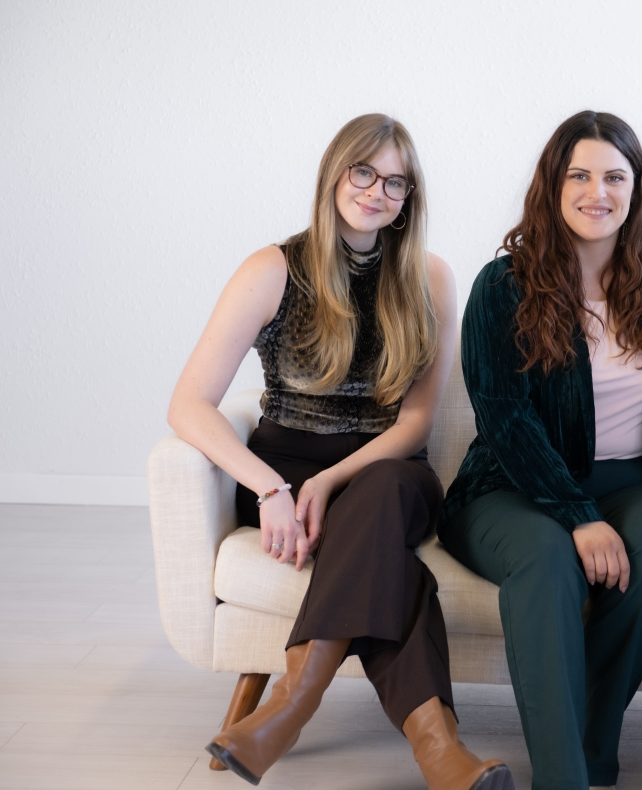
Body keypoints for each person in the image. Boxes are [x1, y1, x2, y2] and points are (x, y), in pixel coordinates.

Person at [167, 113, 513, 790]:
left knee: (382, 493)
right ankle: (443, 755)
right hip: (282, 466)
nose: (377, 191)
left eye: (396, 183)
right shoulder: (272, 269)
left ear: (409, 199)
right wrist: (272, 489)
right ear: (335, 171)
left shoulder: (431, 277)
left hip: (388, 472)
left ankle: (288, 709)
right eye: (365, 171)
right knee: (397, 573)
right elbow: (188, 405)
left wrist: (329, 483)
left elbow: (414, 422)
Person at [438, 110, 642, 790]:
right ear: (553, 188)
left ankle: (588, 754)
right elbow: (506, 420)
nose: (598, 192)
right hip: (512, 485)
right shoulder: (501, 288)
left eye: (614, 176)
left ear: (637, 188)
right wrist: (577, 514)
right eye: (580, 175)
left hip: (640, 478)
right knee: (547, 557)